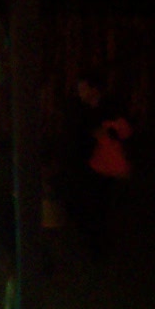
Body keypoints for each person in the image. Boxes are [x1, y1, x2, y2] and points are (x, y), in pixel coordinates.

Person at [64, 72, 133, 257]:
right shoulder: (78, 109)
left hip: (105, 167)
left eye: (84, 89)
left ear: (94, 89)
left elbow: (124, 131)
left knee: (102, 206)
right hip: (86, 164)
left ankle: (101, 246)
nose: (81, 93)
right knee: (88, 205)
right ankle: (92, 243)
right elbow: (76, 136)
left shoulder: (109, 108)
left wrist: (107, 131)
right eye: (79, 89)